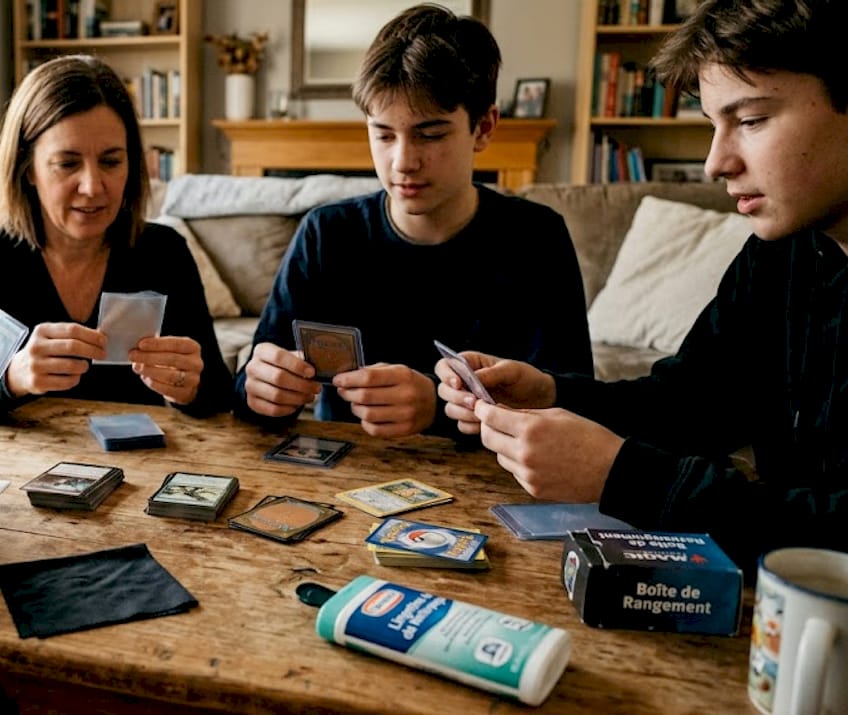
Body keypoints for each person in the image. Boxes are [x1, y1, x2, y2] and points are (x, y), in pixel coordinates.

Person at [436, 0, 848, 570]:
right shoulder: (780, 254)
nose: (715, 163)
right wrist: (551, 394)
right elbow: (688, 404)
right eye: (713, 125)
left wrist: (624, 477)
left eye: (751, 120)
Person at [234, 4, 592, 437]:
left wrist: (437, 411)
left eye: (431, 134)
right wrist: (260, 388)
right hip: (348, 466)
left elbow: (574, 409)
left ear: (483, 128)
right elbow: (249, 392)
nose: (402, 162)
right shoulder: (326, 233)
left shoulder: (536, 237)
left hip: (486, 471)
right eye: (383, 134)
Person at [0, 54, 232, 417]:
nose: (92, 186)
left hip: (145, 451)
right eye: (67, 163)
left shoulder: (164, 251)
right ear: (28, 168)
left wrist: (189, 390)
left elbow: (219, 396)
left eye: (111, 162)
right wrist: (11, 378)